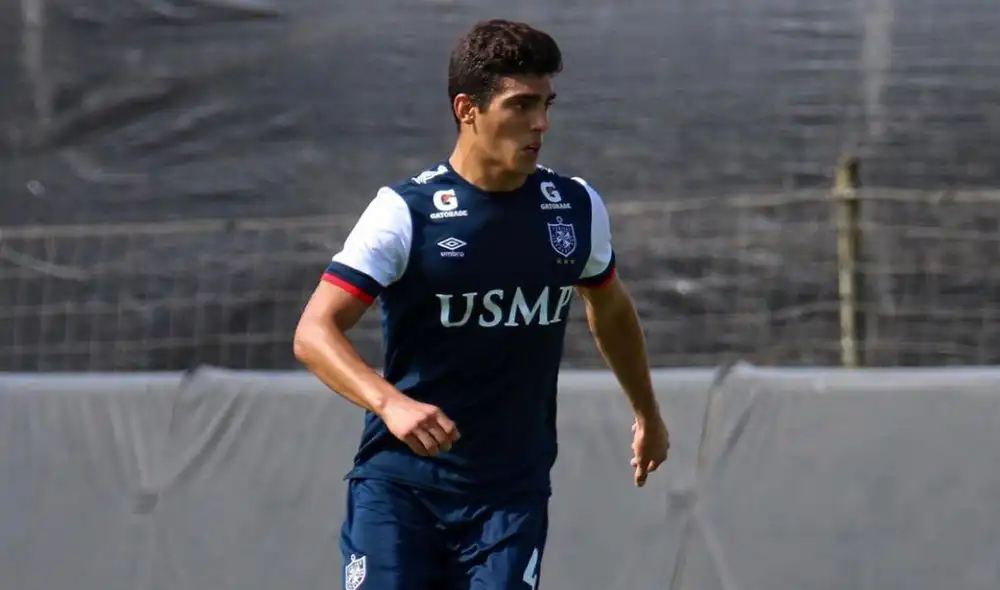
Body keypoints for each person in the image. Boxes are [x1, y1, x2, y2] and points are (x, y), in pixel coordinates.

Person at [294, 18, 670, 590]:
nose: (540, 123)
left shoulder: (573, 207)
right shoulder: (405, 212)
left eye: (546, 104)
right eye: (521, 105)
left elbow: (610, 308)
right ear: (467, 108)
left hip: (511, 494)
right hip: (402, 487)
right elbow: (314, 332)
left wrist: (647, 411)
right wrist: (390, 403)